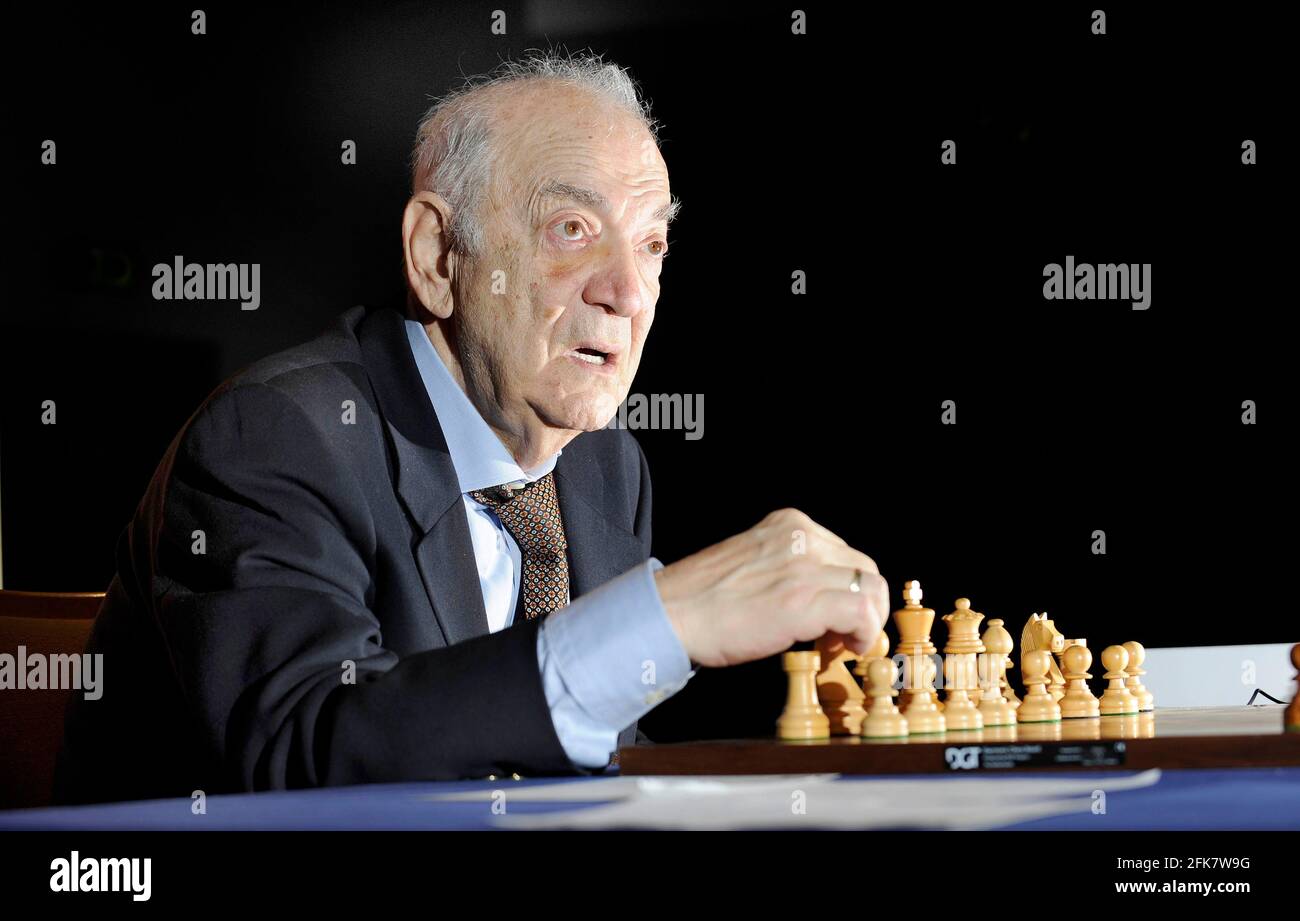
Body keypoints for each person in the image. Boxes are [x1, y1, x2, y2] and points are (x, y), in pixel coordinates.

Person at [55, 53, 887, 804]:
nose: (629, 294)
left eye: (652, 244)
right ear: (437, 256)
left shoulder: (605, 465)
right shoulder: (276, 437)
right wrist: (660, 617)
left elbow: (592, 774)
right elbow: (304, 756)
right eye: (573, 230)